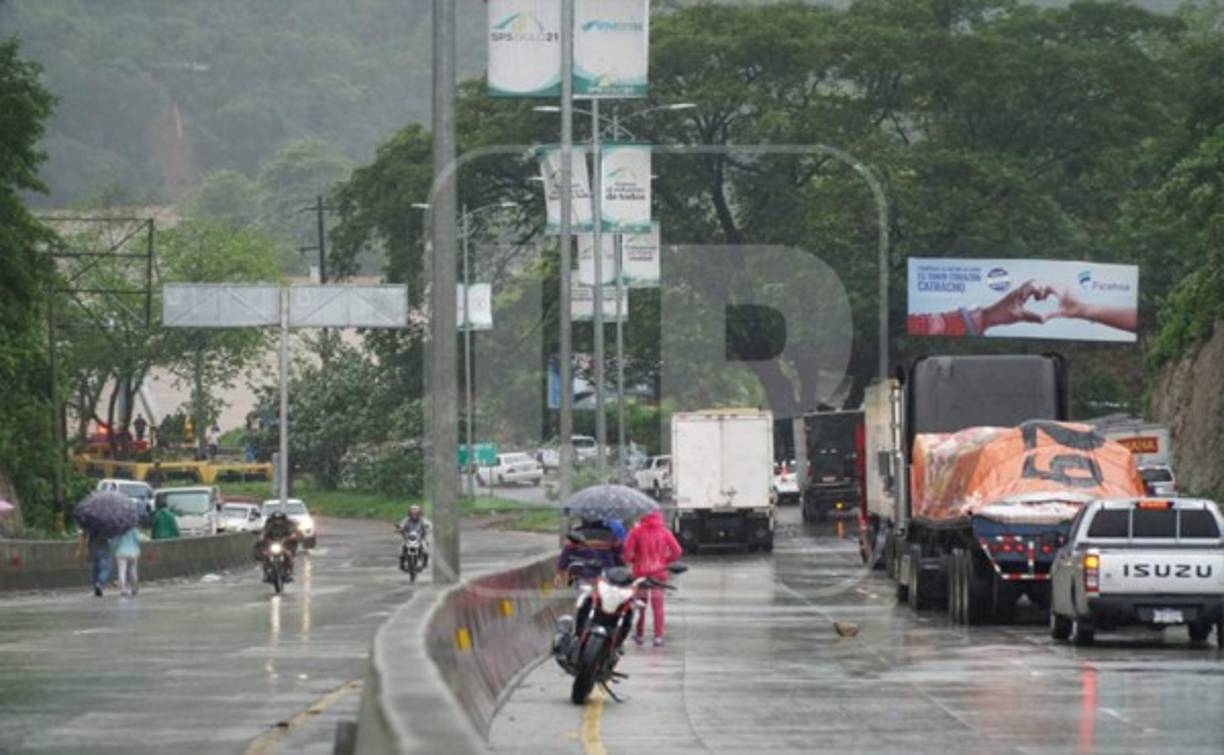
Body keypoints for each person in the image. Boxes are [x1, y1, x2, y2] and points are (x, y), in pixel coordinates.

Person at [622, 511, 683, 647]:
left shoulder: (636, 532)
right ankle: (658, 636)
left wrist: (634, 560)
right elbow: (677, 551)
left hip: (641, 575)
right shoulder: (664, 532)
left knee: (640, 605)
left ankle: (639, 634)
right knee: (658, 606)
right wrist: (664, 561)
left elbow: (626, 552)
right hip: (658, 574)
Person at [555, 518, 622, 587]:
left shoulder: (575, 535)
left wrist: (559, 573)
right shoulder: (610, 535)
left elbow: (565, 555)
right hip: (606, 572)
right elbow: (620, 551)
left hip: (582, 572)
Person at [76, 528, 112, 597]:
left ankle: (95, 585)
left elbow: (82, 535)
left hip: (92, 545)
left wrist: (80, 550)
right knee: (105, 568)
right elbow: (111, 535)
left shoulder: (89, 522)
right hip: (104, 545)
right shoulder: (106, 522)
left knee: (95, 567)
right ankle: (99, 584)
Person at [110, 525, 141, 597]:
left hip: (121, 552)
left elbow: (114, 543)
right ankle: (134, 588)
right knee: (133, 570)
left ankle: (123, 589)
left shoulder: (118, 529)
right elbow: (138, 539)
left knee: (122, 571)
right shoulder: (133, 528)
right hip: (133, 552)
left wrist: (113, 550)